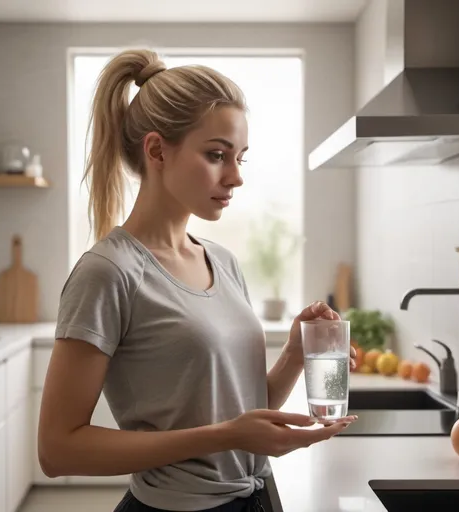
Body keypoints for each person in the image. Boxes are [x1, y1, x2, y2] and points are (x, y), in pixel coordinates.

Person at [38, 48, 358, 512]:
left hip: (258, 500)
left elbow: (238, 416)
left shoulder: (223, 262)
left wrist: (291, 356)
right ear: (156, 150)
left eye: (240, 159)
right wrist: (226, 435)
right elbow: (57, 449)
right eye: (216, 155)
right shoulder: (109, 272)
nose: (235, 177)